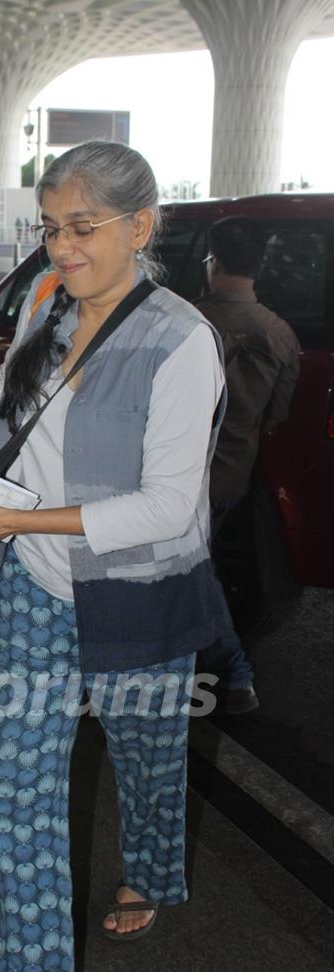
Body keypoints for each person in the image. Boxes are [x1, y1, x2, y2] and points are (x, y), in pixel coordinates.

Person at [0, 140, 228, 972]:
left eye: (83, 228)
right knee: (18, 783)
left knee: (145, 751)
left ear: (141, 226)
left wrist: (19, 524)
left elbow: (169, 505)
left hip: (140, 589)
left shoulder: (183, 340)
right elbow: (12, 425)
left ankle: (151, 873)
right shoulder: (46, 304)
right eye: (52, 227)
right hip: (38, 590)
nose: (61, 247)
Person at [195, 216, 300, 714]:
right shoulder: (279, 333)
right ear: (258, 267)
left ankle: (233, 671)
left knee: (195, 571)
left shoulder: (184, 320)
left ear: (213, 263)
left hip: (173, 471)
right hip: (232, 472)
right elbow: (278, 414)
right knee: (200, 565)